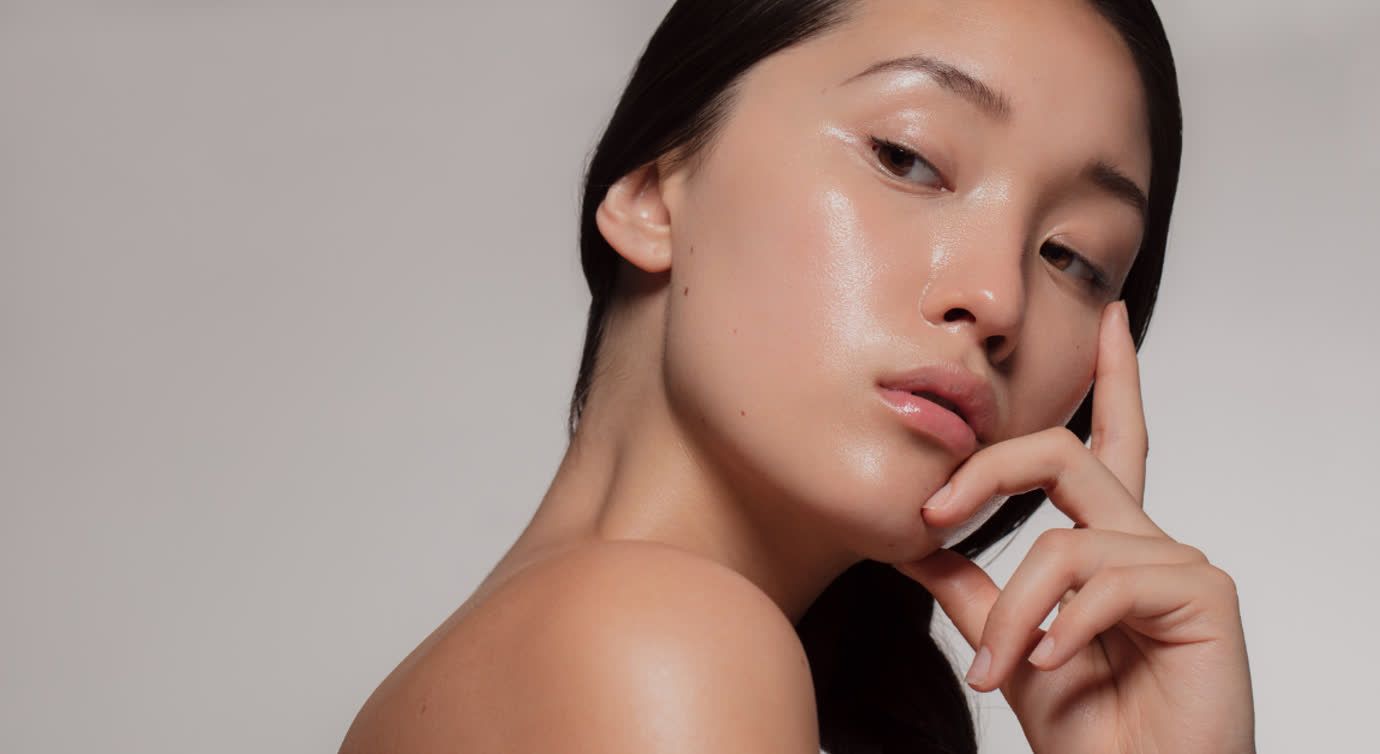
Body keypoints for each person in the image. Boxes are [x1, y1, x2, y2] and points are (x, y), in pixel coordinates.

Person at [339, 0, 1256, 751]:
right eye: (908, 158)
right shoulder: (653, 642)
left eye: (1073, 257)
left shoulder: (543, 657)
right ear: (654, 189)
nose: (997, 297)